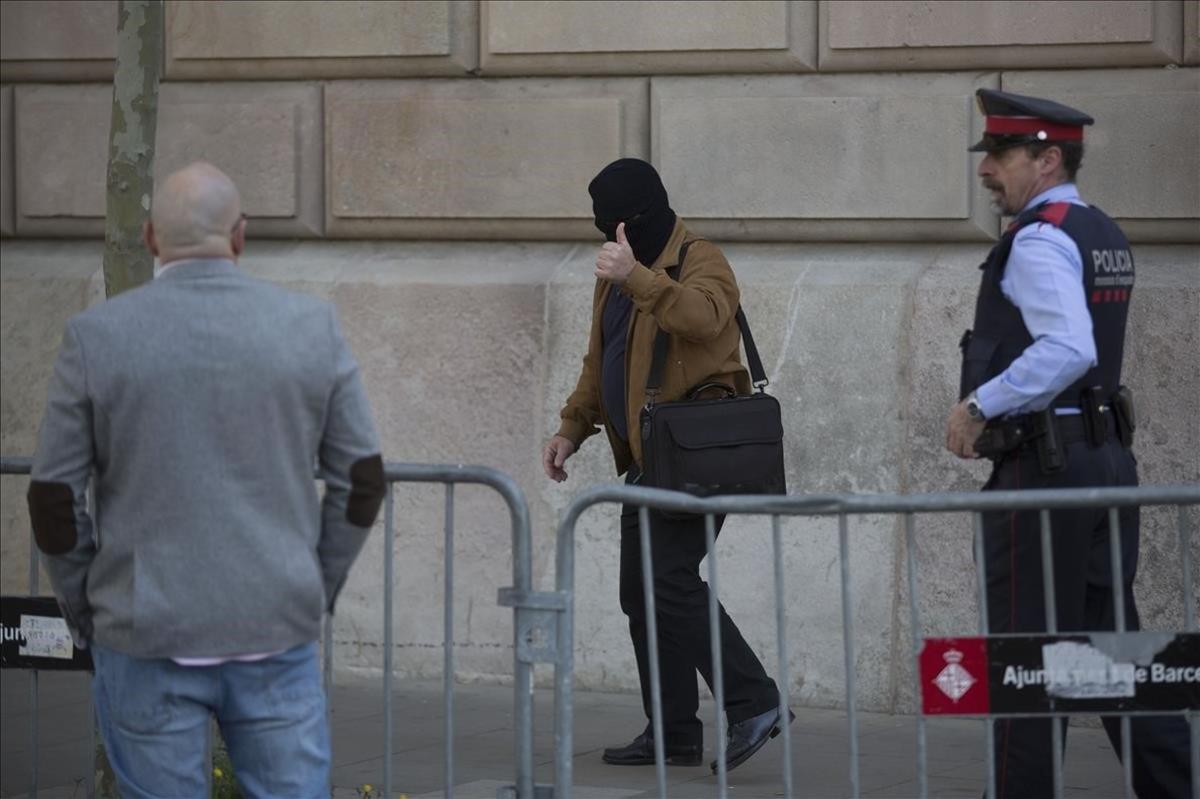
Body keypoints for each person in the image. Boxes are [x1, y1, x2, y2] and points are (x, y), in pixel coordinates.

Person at [27, 162, 385, 798]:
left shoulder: (96, 336)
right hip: (275, 622)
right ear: (240, 236)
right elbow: (361, 479)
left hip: (143, 628)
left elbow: (53, 497)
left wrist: (89, 608)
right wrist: (312, 584)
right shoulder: (309, 327)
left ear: (150, 238)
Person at [945, 89, 1192, 798]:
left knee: (1026, 659)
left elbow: (1068, 347)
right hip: (1102, 456)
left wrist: (977, 403)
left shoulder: (1040, 236)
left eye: (1001, 155)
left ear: (1048, 158)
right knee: (1111, 650)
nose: (988, 170)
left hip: (1046, 468)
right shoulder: (1100, 231)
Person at [542, 158, 790, 773]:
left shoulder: (700, 258)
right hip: (648, 460)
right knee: (642, 593)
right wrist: (573, 427)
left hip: (698, 455)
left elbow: (706, 318)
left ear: (647, 217)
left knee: (668, 582)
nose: (612, 236)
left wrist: (638, 279)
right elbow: (602, 359)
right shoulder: (614, 271)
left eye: (620, 224)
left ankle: (754, 700)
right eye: (605, 227)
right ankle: (674, 731)